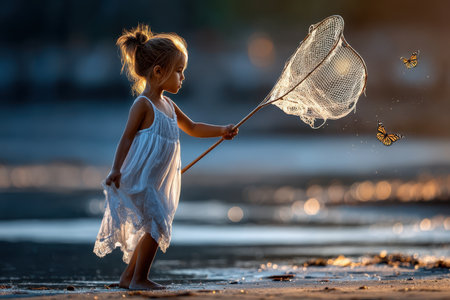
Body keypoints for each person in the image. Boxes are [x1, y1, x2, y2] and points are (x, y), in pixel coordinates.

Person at [93, 24, 238, 290]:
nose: (183, 77)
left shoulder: (169, 106)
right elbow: (126, 138)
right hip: (141, 179)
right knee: (156, 225)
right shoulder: (143, 105)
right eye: (179, 71)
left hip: (160, 182)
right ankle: (140, 278)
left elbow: (192, 127)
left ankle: (128, 277)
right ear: (159, 72)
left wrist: (222, 131)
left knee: (154, 225)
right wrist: (115, 169)